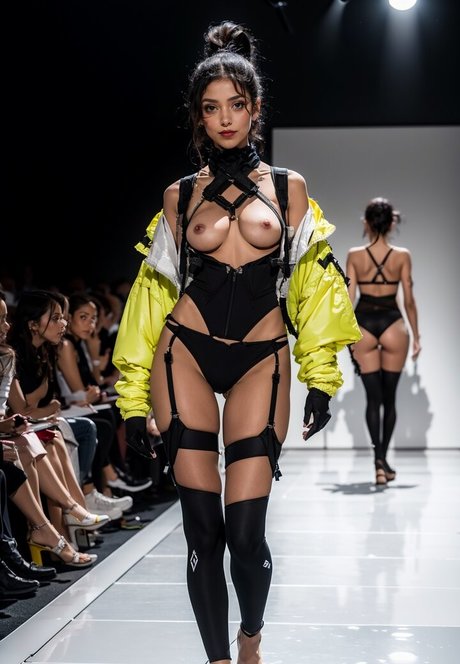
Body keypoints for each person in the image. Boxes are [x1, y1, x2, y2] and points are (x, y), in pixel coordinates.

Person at [112, 21, 361, 664]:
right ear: (198, 115)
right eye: (210, 107)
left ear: (255, 108)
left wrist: (321, 376)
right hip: (185, 355)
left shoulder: (288, 188)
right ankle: (218, 660)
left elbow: (313, 286)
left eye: (236, 104)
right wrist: (133, 399)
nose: (224, 118)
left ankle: (250, 636)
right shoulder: (179, 196)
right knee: (203, 534)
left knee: (246, 536)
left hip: (261, 359)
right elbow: (151, 298)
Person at [346, 197, 421, 485]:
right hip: (393, 325)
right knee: (389, 399)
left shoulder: (355, 255)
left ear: (366, 222)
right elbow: (409, 300)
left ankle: (378, 462)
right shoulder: (402, 256)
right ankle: (382, 461)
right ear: (392, 223)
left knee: (372, 399)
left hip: (362, 325)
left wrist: (343, 334)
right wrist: (416, 337)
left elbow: (348, 298)